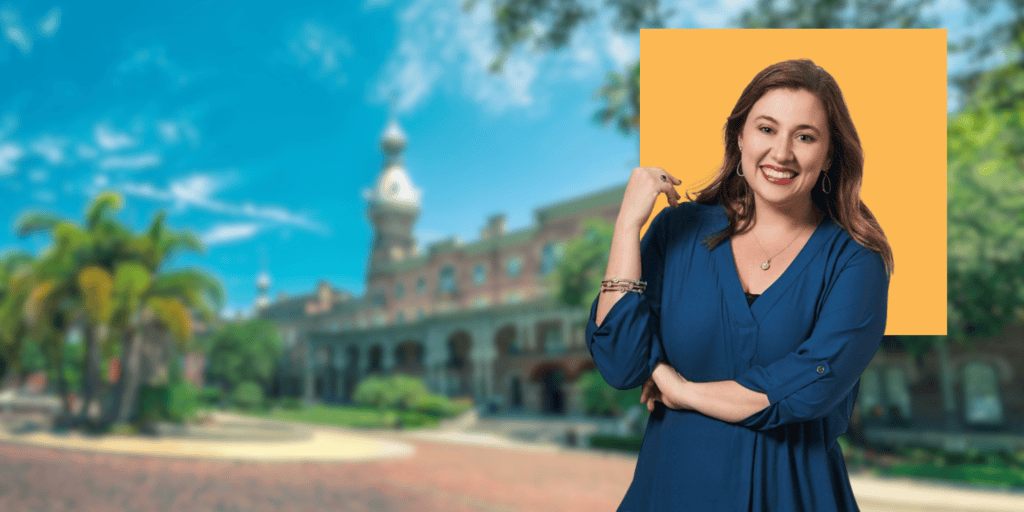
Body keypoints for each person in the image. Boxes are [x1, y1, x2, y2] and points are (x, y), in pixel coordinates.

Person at [586, 59, 894, 511]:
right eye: (766, 129)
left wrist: (680, 389)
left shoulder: (855, 260)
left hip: (792, 496)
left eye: (804, 136)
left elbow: (807, 391)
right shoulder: (677, 231)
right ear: (739, 137)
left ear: (828, 154)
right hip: (670, 492)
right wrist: (627, 227)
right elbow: (621, 362)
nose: (782, 153)